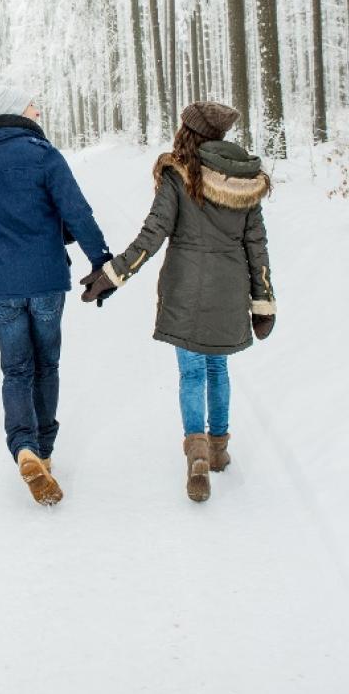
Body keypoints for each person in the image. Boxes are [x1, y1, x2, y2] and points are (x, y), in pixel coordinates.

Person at [81, 101, 276, 502]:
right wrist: (263, 301)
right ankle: (219, 450)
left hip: (185, 288)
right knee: (218, 368)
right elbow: (257, 247)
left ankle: (197, 454)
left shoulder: (178, 173)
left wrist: (113, 273)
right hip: (229, 289)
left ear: (188, 133)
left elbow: (152, 234)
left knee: (192, 374)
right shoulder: (245, 179)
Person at [0, 84, 112, 506]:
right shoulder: (43, 155)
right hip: (46, 279)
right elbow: (77, 212)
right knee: (46, 364)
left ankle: (23, 446)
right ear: (15, 110)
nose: (37, 109)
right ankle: (43, 452)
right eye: (31, 103)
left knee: (16, 370)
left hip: (0, 284)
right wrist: (101, 260)